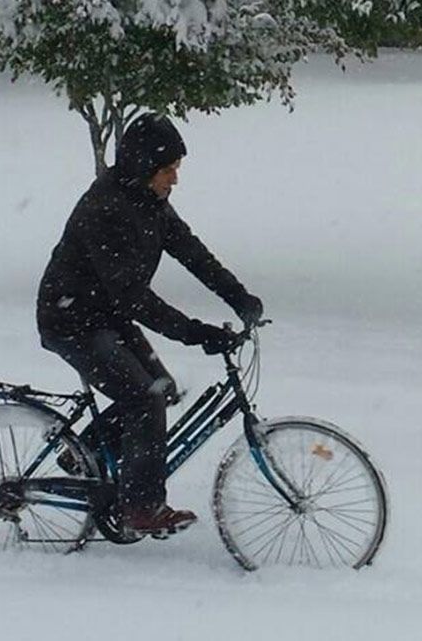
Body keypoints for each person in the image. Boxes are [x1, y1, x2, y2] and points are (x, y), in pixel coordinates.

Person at [36, 113, 262, 536]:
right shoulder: (105, 208)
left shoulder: (149, 202)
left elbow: (193, 253)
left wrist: (239, 297)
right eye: (168, 169)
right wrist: (196, 332)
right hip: (70, 319)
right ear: (143, 167)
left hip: (104, 314)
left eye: (176, 169)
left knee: (160, 388)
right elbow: (133, 298)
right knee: (145, 399)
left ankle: (81, 453)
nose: (174, 179)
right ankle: (139, 508)